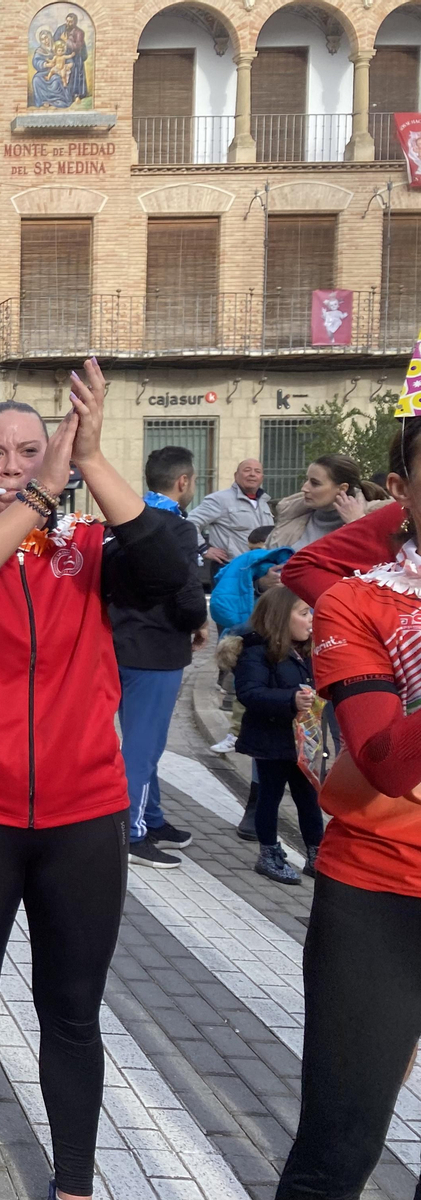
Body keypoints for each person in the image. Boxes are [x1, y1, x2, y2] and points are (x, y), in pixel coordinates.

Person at [0, 361, 188, 1200]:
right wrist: (37, 498)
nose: (15, 464)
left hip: (82, 815)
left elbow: (173, 578)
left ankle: (73, 1186)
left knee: (71, 1012)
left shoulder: (93, 548)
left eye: (33, 450)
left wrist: (92, 461)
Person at [271, 416, 421, 1200]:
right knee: (334, 1156)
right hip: (383, 889)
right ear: (401, 492)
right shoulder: (360, 603)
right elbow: (387, 763)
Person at [114, 445, 208, 870]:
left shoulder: (124, 519)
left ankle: (151, 818)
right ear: (183, 481)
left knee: (143, 742)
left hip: (120, 644)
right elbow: (187, 590)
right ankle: (130, 833)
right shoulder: (178, 528)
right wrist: (197, 621)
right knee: (143, 747)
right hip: (158, 649)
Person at [232, 586, 321, 886]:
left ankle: (316, 853)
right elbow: (250, 692)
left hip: (302, 740)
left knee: (308, 797)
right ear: (282, 618)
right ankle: (268, 853)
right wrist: (290, 699)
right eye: (304, 613)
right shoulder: (257, 651)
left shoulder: (305, 651)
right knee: (269, 796)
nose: (311, 619)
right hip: (270, 739)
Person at [267, 454, 389, 552]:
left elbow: (382, 563)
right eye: (306, 480)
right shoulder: (291, 514)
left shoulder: (379, 515)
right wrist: (264, 574)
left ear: (342, 488)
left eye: (315, 483)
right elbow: (263, 560)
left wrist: (356, 523)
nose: (304, 488)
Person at [190, 459, 272, 572]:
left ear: (262, 478)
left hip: (260, 568)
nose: (252, 474)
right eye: (247, 470)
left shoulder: (264, 503)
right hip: (230, 568)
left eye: (257, 471)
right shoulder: (219, 499)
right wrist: (203, 549)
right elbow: (190, 522)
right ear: (236, 475)